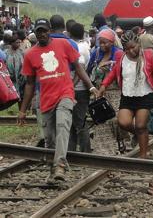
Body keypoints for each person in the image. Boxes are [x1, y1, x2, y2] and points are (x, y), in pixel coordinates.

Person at [18, 18, 97, 181]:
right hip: (46, 100)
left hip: (65, 94)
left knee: (63, 126)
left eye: (44, 30)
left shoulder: (64, 45)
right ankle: (53, 171)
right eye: (38, 31)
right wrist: (22, 110)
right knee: (49, 138)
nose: (41, 34)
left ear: (50, 31)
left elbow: (78, 67)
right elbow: (30, 85)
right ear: (35, 33)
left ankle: (60, 165)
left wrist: (91, 86)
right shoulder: (30, 54)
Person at [97, 30, 153, 158]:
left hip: (145, 95)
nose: (130, 51)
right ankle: (140, 134)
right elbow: (113, 73)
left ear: (138, 43)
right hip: (128, 96)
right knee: (123, 122)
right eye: (127, 49)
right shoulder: (121, 56)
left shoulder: (148, 55)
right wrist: (103, 86)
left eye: (133, 47)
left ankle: (143, 155)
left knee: (141, 125)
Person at [68, 23, 92, 153]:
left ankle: (85, 151)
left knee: (78, 122)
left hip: (77, 89)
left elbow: (80, 68)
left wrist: (71, 85)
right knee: (76, 121)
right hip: (82, 89)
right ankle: (73, 150)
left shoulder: (75, 47)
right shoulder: (85, 47)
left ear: (70, 33)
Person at [4, 35, 25, 107]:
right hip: (10, 78)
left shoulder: (21, 52)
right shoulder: (6, 53)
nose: (18, 44)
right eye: (17, 42)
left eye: (19, 42)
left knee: (21, 96)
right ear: (12, 43)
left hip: (21, 78)